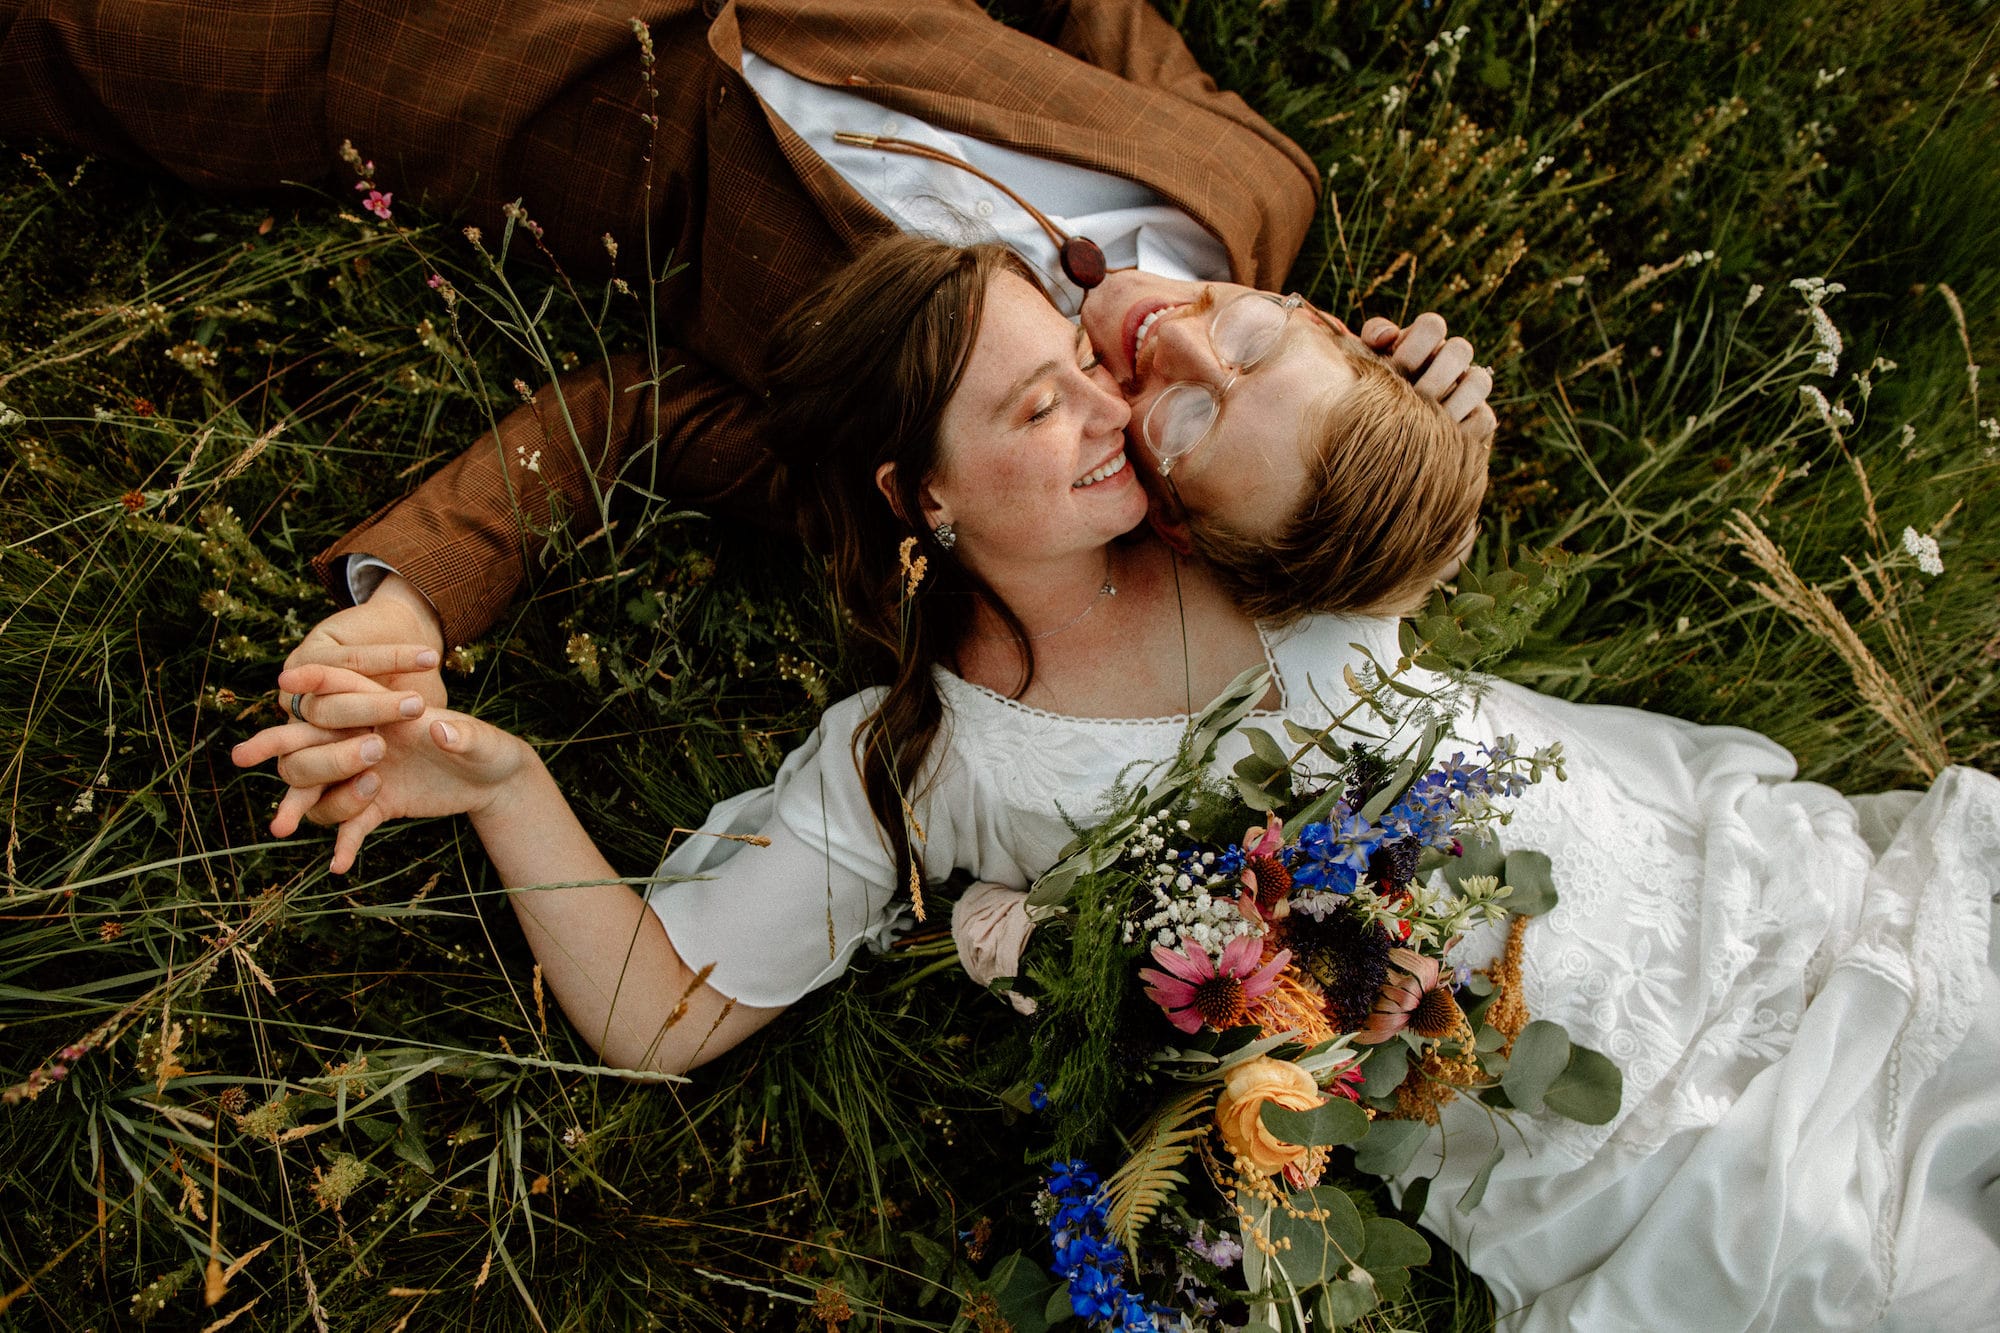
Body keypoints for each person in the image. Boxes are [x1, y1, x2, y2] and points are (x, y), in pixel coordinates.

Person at [236, 233, 2000, 1330]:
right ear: (921, 498)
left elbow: (1366, 457)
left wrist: (1427, 406)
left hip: (1770, 895)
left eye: (1083, 367)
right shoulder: (919, 760)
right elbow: (659, 1009)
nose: (1103, 408)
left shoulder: (1234, 516)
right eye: (1031, 412)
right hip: (1620, 1142)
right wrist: (503, 781)